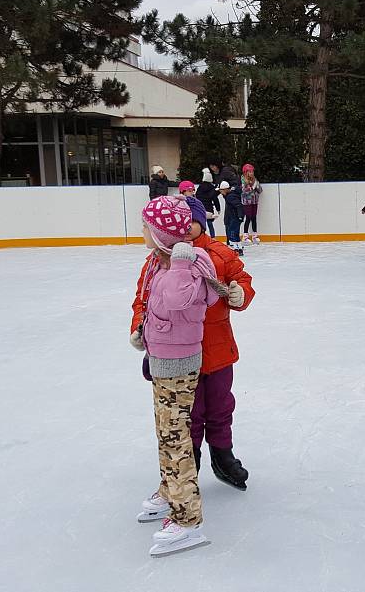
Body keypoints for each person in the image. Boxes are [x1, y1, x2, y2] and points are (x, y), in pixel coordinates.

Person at [131, 197, 256, 503]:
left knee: (221, 407)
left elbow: (241, 279)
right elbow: (143, 299)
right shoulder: (158, 260)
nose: (184, 229)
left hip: (218, 351)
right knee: (189, 414)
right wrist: (138, 326)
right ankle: (191, 462)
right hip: (180, 357)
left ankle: (222, 455)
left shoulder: (217, 253)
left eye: (191, 223)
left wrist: (240, 294)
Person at [132, 194, 226, 556]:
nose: (141, 231)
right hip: (162, 360)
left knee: (176, 441)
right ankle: (170, 492)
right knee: (165, 434)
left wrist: (182, 263)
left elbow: (176, 301)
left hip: (179, 365)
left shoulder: (188, 263)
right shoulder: (162, 261)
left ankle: (188, 521)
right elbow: (154, 305)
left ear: (160, 235)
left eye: (146, 227)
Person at [219, 180, 245, 256]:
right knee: (235, 234)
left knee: (232, 233)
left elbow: (238, 205)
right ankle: (239, 248)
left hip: (235, 218)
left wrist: (240, 216)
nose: (221, 193)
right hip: (234, 217)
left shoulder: (230, 197)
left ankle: (235, 249)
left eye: (221, 191)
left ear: (225, 190)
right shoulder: (230, 195)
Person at [240, 164, 262, 245]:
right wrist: (252, 187)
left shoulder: (254, 180)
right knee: (248, 217)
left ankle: (254, 236)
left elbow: (260, 190)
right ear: (245, 172)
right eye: (249, 171)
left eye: (252, 171)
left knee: (254, 218)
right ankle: (245, 236)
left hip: (254, 201)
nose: (251, 173)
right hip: (247, 202)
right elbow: (244, 192)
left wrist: (256, 185)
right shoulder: (243, 180)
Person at [197, 168, 221, 238]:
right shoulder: (212, 188)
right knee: (210, 224)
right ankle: (213, 238)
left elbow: (197, 198)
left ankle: (201, 237)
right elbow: (215, 199)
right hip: (209, 208)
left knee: (202, 224)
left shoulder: (200, 187)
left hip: (200, 209)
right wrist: (218, 209)